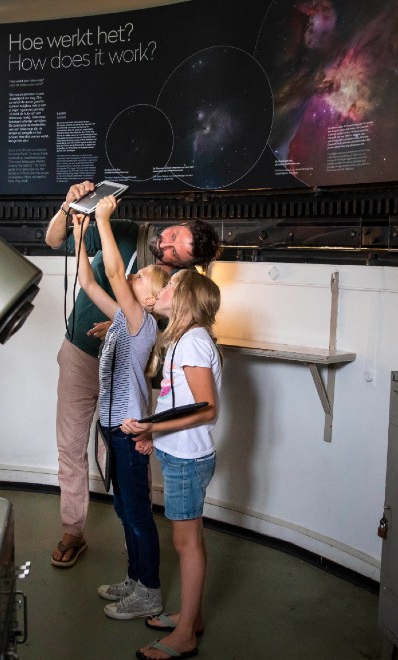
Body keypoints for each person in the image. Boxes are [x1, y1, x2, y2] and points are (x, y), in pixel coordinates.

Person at [45, 181, 222, 568]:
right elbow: (59, 244)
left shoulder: (175, 287)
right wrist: (70, 210)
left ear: (188, 268)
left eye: (177, 253)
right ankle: (74, 530)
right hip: (80, 354)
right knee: (71, 447)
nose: (168, 247)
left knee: (126, 462)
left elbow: (168, 324)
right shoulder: (129, 232)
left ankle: (137, 550)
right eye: (173, 236)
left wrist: (123, 324)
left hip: (129, 376)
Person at [68, 195, 170, 619]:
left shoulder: (140, 322)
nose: (135, 274)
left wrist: (104, 221)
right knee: (126, 510)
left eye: (143, 276)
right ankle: (135, 577)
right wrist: (78, 236)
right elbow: (91, 284)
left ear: (150, 301)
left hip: (128, 430)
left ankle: (149, 590)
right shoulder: (125, 318)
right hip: (114, 428)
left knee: (138, 514)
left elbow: (111, 271)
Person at [119, 269, 223, 660]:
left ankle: (184, 636)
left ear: (185, 299)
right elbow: (176, 402)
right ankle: (190, 618)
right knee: (190, 539)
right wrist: (153, 433)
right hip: (177, 451)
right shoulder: (181, 339)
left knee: (187, 543)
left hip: (187, 458)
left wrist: (148, 426)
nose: (162, 289)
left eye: (171, 285)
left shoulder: (194, 342)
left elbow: (206, 409)